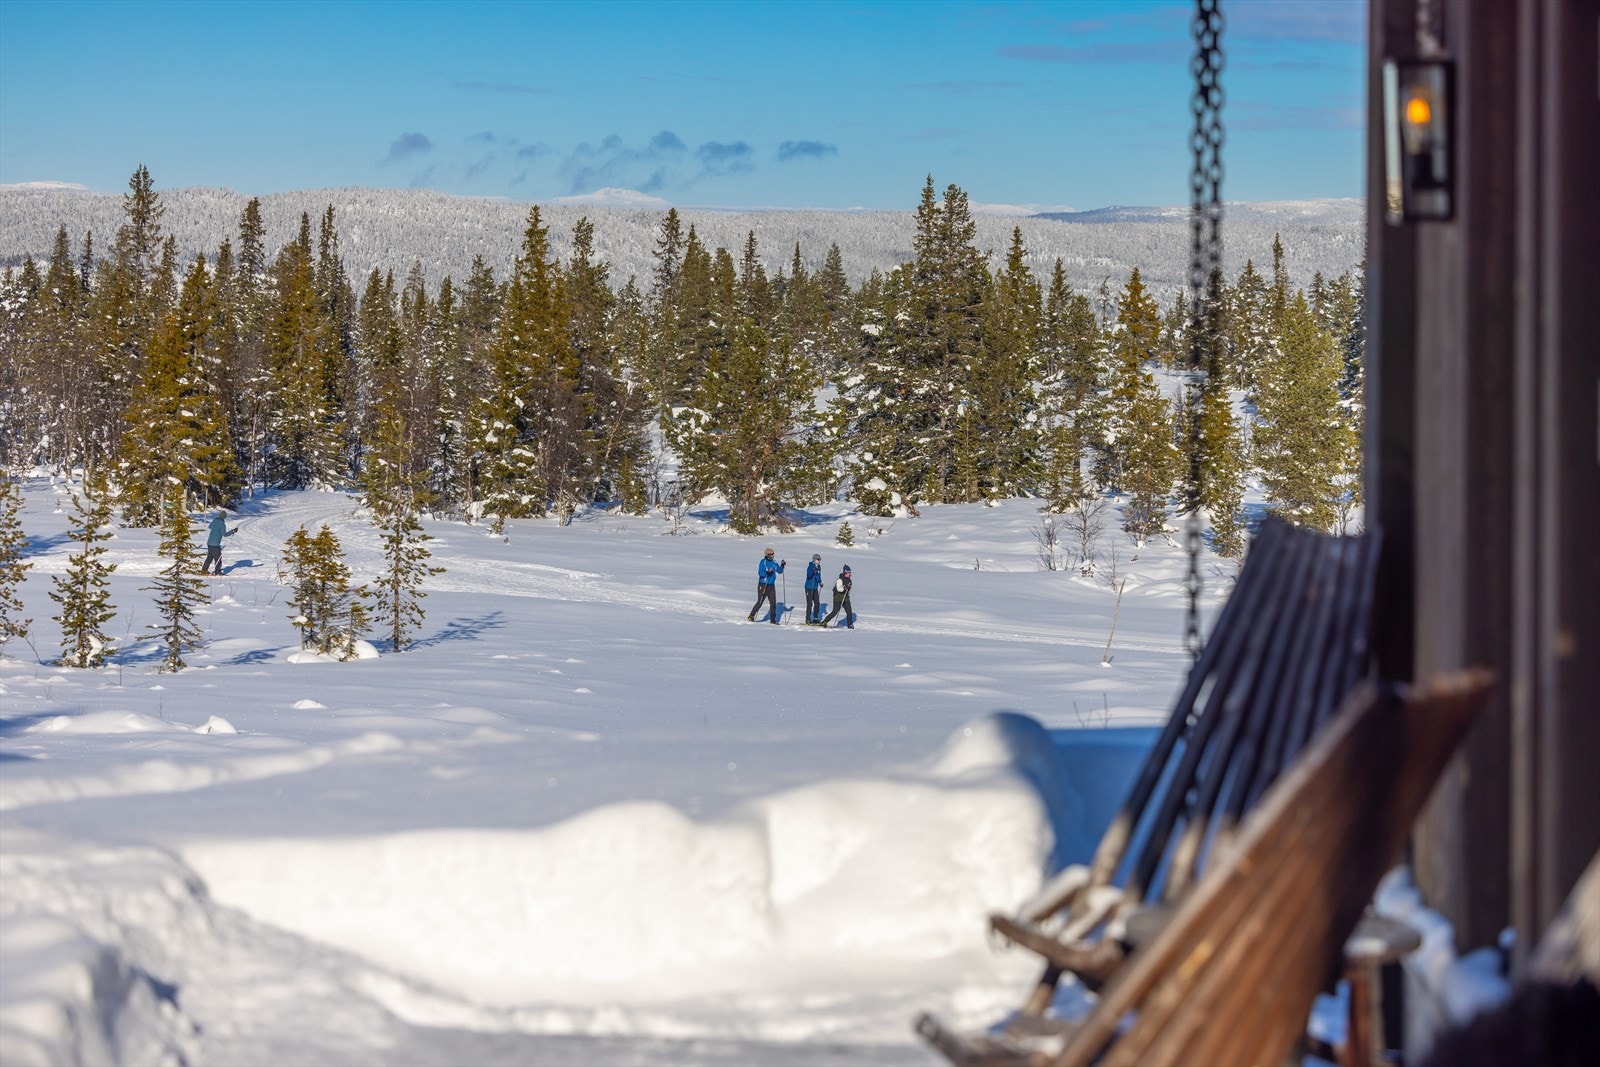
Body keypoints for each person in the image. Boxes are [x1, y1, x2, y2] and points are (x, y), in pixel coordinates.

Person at [746, 546, 785, 624]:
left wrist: (782, 565)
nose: (773, 555)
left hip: (771, 586)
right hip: (763, 584)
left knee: (773, 603)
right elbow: (760, 573)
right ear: (768, 555)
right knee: (760, 602)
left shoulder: (774, 562)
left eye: (773, 554)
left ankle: (773, 620)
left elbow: (779, 571)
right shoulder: (763, 562)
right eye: (772, 554)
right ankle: (751, 615)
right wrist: (767, 572)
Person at [202, 508, 237, 575]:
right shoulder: (222, 524)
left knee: (209, 558)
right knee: (218, 559)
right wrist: (232, 531)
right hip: (215, 544)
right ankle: (217, 572)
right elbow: (225, 534)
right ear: (224, 517)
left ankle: (204, 570)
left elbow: (210, 526)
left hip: (209, 543)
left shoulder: (214, 520)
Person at [822, 564, 854, 629]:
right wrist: (845, 587)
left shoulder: (849, 580)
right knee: (835, 611)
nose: (849, 574)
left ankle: (850, 625)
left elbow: (848, 589)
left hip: (845, 598)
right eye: (848, 572)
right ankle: (825, 621)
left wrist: (848, 589)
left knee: (849, 612)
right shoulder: (840, 580)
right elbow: (839, 589)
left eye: (850, 572)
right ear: (845, 572)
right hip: (838, 598)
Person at [804, 554, 824, 624]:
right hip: (809, 587)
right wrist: (813, 571)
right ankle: (808, 619)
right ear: (814, 560)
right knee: (809, 604)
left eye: (820, 559)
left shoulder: (818, 567)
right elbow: (808, 576)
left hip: (815, 587)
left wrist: (820, 582)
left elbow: (818, 576)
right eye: (818, 559)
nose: (819, 561)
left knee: (817, 603)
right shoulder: (810, 566)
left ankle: (815, 618)